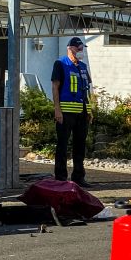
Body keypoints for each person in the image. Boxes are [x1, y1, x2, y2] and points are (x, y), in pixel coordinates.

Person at [51, 36, 94, 187]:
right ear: (70, 48)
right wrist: (57, 110)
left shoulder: (82, 66)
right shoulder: (61, 64)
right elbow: (55, 87)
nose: (80, 51)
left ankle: (78, 177)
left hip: (82, 112)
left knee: (80, 145)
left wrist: (89, 110)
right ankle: (61, 177)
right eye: (78, 48)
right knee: (62, 145)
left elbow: (87, 89)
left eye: (82, 48)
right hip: (66, 112)